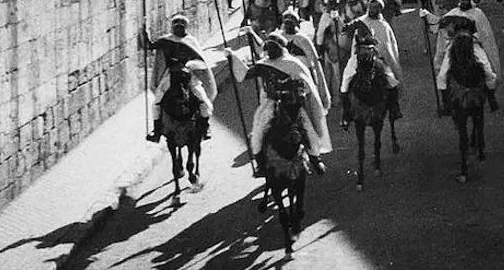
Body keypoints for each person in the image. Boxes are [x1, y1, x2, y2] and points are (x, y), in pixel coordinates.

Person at [229, 33, 332, 177]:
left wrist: (297, 91)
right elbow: (245, 74)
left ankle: (315, 158)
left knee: (308, 129)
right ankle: (260, 163)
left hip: (292, 104)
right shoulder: (263, 64)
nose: (270, 51)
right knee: (259, 130)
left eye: (273, 47)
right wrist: (232, 56)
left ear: (281, 48)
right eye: (268, 47)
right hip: (271, 104)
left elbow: (307, 86)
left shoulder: (292, 64)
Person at [142, 14, 218, 142]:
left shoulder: (191, 42)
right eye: (176, 26)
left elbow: (200, 60)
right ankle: (156, 131)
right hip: (170, 75)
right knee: (157, 102)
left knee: (204, 102)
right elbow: (149, 46)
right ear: (172, 27)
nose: (179, 29)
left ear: (186, 28)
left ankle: (205, 128)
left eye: (181, 27)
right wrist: (143, 31)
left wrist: (192, 66)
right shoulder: (166, 40)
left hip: (189, 75)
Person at [425, 0, 502, 78]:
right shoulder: (453, 13)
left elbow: (486, 38)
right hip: (455, 48)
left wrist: (493, 63)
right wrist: (427, 17)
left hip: (474, 47)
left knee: (487, 71)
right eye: (462, 0)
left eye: (466, 0)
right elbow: (441, 29)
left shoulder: (478, 14)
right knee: (444, 74)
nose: (464, 2)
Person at [340, 35, 403, 125]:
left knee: (391, 79)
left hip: (374, 58)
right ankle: (346, 114)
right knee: (345, 83)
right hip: (357, 59)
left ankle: (394, 108)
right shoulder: (356, 24)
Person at [436, 29, 498, 115]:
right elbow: (444, 33)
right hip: (455, 46)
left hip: (473, 45)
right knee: (443, 75)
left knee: (487, 70)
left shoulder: (476, 15)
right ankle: (446, 104)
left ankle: (491, 98)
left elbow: (482, 31)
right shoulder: (449, 17)